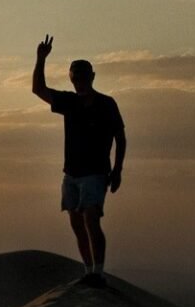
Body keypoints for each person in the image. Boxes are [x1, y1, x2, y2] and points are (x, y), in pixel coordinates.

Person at [31, 34, 126, 288]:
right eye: (75, 78)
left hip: (95, 173)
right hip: (71, 173)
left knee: (91, 218)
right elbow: (38, 90)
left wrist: (117, 171)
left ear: (92, 77)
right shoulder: (69, 102)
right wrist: (40, 59)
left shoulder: (106, 104)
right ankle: (88, 271)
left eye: (83, 78)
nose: (79, 83)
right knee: (76, 222)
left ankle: (98, 272)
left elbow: (120, 136)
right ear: (71, 79)